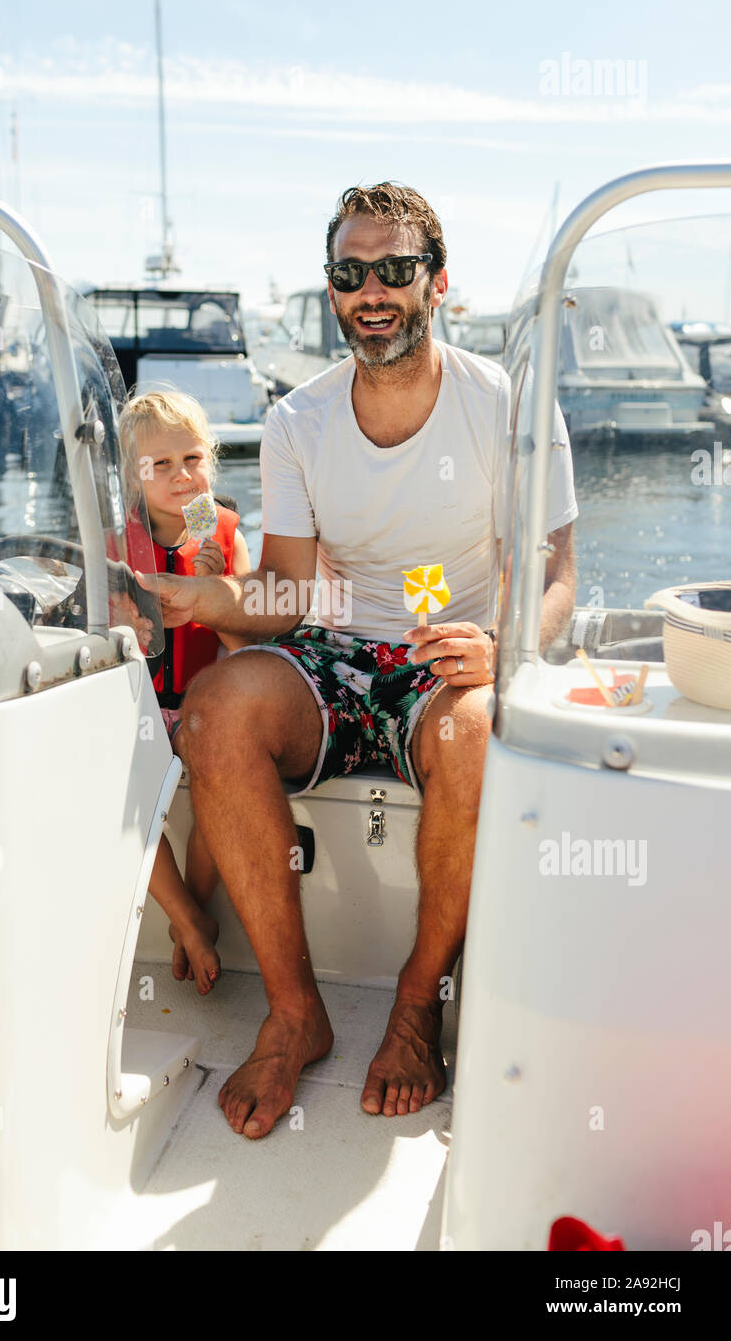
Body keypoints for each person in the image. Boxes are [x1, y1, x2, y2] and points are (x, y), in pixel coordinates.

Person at [140, 182, 578, 1136]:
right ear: (333, 291)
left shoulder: (504, 406)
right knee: (215, 711)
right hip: (336, 652)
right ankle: (297, 1017)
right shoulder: (299, 421)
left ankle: (418, 1005)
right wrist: (215, 601)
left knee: (471, 733)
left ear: (439, 283)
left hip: (446, 655)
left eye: (394, 269)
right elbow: (291, 591)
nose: (371, 290)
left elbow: (557, 575)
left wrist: (505, 650)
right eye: (350, 273)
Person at [118, 388, 252, 993]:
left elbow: (247, 639)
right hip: (140, 708)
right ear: (133, 476)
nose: (181, 476)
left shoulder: (223, 532)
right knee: (123, 789)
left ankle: (193, 906)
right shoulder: (116, 546)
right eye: (161, 465)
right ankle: (187, 917)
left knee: (222, 782)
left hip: (204, 706)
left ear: (211, 460)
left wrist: (215, 592)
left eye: (193, 459)